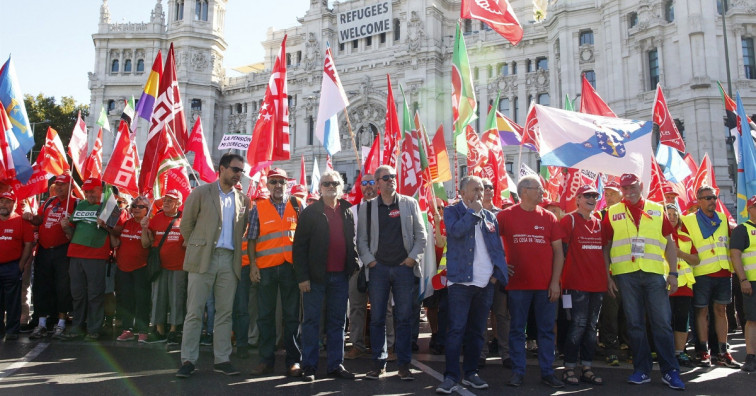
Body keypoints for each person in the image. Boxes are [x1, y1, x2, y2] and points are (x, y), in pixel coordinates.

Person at [602, 173, 684, 390]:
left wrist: (674, 273)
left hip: (654, 273)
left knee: (662, 324)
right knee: (635, 324)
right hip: (625, 275)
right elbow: (606, 246)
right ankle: (642, 370)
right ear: (621, 190)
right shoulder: (611, 212)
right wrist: (607, 276)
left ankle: (670, 371)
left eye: (632, 187)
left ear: (641, 186)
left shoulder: (657, 209)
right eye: (625, 188)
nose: (629, 192)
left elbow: (669, 243)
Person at [176, 153, 250, 378]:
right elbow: (186, 226)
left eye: (241, 171)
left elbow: (242, 229)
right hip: (203, 258)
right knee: (195, 311)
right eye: (235, 170)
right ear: (222, 168)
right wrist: (198, 245)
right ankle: (188, 359)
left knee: (225, 312)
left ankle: (222, 358)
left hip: (229, 260)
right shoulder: (200, 192)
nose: (239, 175)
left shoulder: (243, 200)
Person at [435, 176, 508, 394]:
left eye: (483, 188)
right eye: (475, 189)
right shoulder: (452, 211)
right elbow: (456, 232)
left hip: (485, 283)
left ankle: (471, 373)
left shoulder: (490, 217)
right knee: (456, 330)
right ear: (462, 192)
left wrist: (495, 275)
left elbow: (496, 248)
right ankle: (450, 376)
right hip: (460, 282)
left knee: (478, 331)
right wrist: (472, 212)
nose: (481, 192)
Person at [357, 165, 426, 381]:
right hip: (378, 271)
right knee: (377, 318)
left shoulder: (409, 203)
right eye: (385, 178)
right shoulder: (367, 208)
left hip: (404, 269)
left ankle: (404, 365)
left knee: (404, 318)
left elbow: (421, 236)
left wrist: (411, 259)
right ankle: (379, 363)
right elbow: (361, 241)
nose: (391, 180)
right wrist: (370, 262)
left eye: (393, 177)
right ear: (377, 183)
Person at [497, 174, 565, 388]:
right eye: (538, 189)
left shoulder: (549, 217)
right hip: (518, 285)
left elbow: (559, 252)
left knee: (546, 330)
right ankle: (518, 372)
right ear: (524, 191)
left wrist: (555, 282)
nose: (542, 193)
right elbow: (490, 244)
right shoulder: (505, 216)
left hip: (545, 286)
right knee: (517, 329)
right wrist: (499, 264)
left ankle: (547, 372)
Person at [293, 170, 359, 381]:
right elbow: (299, 247)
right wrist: (302, 277)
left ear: (341, 186)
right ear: (320, 188)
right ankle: (309, 366)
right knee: (311, 322)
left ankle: (335, 365)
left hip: (340, 276)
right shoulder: (310, 213)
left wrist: (354, 264)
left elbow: (351, 241)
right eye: (326, 183)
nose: (331, 186)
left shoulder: (347, 210)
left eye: (335, 183)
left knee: (338, 322)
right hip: (314, 278)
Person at [248, 168, 303, 378]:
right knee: (265, 317)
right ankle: (266, 361)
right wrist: (253, 265)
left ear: (287, 184)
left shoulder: (298, 205)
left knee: (291, 317)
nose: (278, 185)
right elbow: (251, 238)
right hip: (266, 269)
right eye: (273, 182)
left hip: (291, 268)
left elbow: (304, 238)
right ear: (268, 185)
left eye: (281, 181)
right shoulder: (258, 208)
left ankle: (293, 362)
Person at [679, 186, 739, 368]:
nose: (712, 201)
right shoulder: (687, 220)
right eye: (707, 198)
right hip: (701, 273)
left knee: (721, 311)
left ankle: (723, 351)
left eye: (714, 197)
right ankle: (703, 350)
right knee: (701, 312)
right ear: (698, 200)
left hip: (723, 271)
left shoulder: (722, 218)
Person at [345, 173, 397, 361]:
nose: (367, 187)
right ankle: (357, 345)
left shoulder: (386, 209)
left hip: (381, 266)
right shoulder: (351, 211)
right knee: (357, 308)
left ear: (376, 186)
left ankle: (388, 346)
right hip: (358, 267)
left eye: (370, 183)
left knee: (384, 309)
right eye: (363, 183)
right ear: (360, 188)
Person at [559, 185, 606, 386]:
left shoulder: (600, 223)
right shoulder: (568, 220)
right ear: (578, 199)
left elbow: (604, 252)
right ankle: (569, 367)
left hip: (598, 285)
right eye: (587, 195)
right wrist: (556, 281)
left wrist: (608, 279)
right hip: (575, 284)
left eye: (595, 196)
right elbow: (559, 252)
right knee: (577, 325)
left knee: (591, 327)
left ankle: (587, 367)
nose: (592, 199)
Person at [60, 178, 117, 340]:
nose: (89, 194)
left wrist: (105, 225)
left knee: (95, 294)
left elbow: (117, 232)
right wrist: (66, 228)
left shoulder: (110, 206)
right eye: (86, 191)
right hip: (75, 254)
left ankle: (94, 329)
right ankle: (77, 327)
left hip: (96, 255)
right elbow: (71, 234)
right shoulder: (81, 205)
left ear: (100, 190)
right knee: (77, 293)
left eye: (92, 190)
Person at [24, 174, 76, 340]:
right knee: (41, 287)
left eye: (63, 184)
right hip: (44, 251)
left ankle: (60, 324)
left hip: (63, 251)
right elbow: (39, 219)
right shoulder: (48, 202)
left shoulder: (76, 203)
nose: (59, 187)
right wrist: (31, 217)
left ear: (71, 186)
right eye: (57, 184)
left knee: (62, 287)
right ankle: (41, 323)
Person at [142, 190, 186, 346]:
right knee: (158, 298)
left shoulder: (185, 218)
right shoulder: (156, 218)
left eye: (170, 200)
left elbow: (188, 242)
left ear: (178, 204)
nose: (166, 202)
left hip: (179, 267)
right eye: (165, 200)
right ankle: (159, 331)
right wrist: (144, 229)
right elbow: (146, 243)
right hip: (159, 267)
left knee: (177, 299)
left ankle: (174, 331)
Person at [112, 196, 152, 342]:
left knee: (142, 301)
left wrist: (144, 228)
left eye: (140, 207)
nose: (136, 209)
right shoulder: (127, 223)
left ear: (147, 210)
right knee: (126, 300)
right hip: (123, 268)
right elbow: (117, 242)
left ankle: (143, 331)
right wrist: (108, 229)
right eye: (134, 206)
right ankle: (127, 329)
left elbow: (146, 244)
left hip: (141, 268)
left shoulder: (149, 224)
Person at [597, 180, 628, 366]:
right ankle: (610, 347)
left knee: (627, 311)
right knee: (610, 312)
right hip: (608, 272)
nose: (608, 197)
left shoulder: (627, 215)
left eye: (612, 194)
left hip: (627, 270)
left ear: (621, 195)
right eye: (606, 194)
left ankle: (626, 344)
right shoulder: (600, 216)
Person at [666, 204, 698, 367]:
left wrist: (681, 254)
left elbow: (696, 259)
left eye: (674, 214)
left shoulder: (686, 236)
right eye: (668, 214)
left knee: (682, 319)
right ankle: (665, 351)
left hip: (684, 284)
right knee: (664, 320)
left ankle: (680, 352)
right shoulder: (657, 235)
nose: (672, 217)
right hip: (665, 284)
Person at [0, 191, 34, 341]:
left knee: (13, 301)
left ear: (14, 204)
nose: (4, 204)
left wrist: (20, 265)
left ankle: (12, 330)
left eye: (8, 202)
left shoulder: (22, 222)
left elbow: (28, 245)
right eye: (1, 201)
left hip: (12, 266)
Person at [729, 195, 756, 372]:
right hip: (751, 283)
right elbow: (735, 255)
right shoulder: (742, 230)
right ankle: (751, 357)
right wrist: (743, 280)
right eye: (755, 206)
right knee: (752, 320)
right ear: (749, 209)